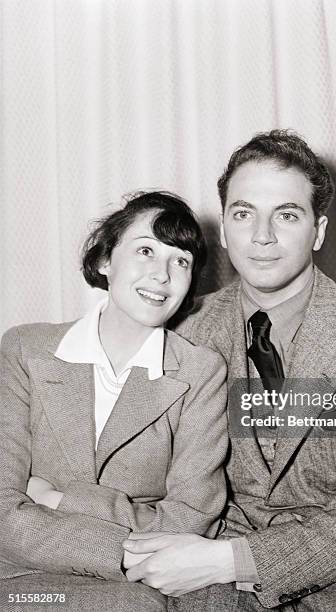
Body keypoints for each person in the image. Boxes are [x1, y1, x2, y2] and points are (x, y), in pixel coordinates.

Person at [122, 132, 336, 611]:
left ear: (318, 231)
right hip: (210, 540)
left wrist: (234, 561)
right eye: (244, 213)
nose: (262, 236)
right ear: (224, 231)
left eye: (287, 215)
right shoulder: (182, 331)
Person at [0, 191, 228, 611]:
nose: (162, 275)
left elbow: (190, 520)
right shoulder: (24, 349)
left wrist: (59, 500)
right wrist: (118, 553)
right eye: (146, 250)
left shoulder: (201, 372)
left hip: (139, 588)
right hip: (21, 576)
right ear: (106, 260)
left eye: (181, 261)